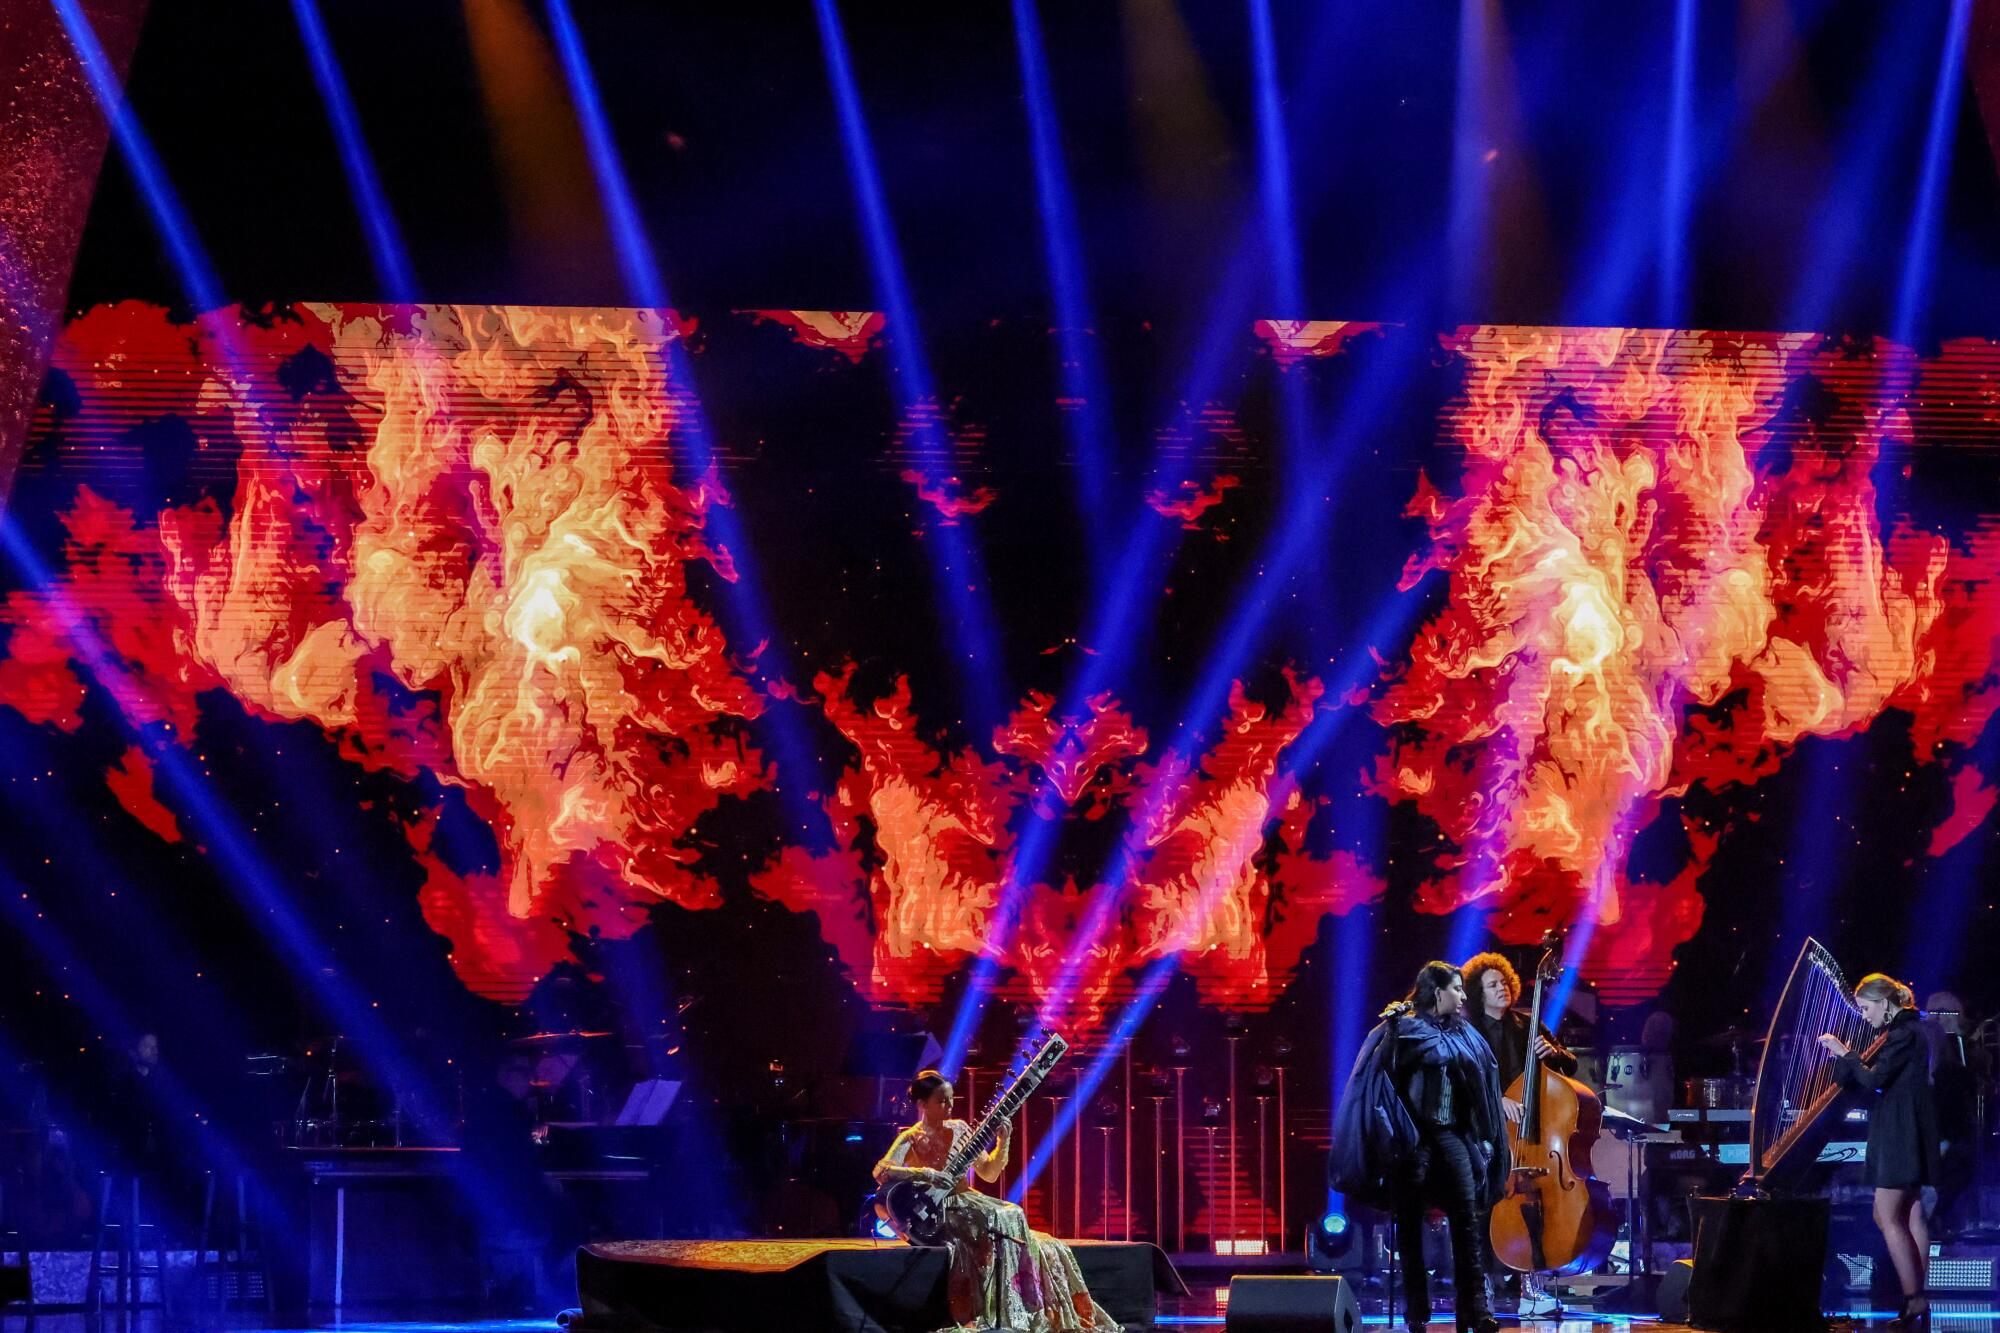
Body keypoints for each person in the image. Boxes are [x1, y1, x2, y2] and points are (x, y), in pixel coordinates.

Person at [1333, 962, 1507, 1333]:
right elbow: (1378, 1081)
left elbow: (1480, 1083)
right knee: (1409, 1228)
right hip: (1411, 1140)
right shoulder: (1404, 1029)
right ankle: (1416, 1312)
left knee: (1466, 1222)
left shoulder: (1464, 1034)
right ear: (1436, 992)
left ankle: (1474, 1311)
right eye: (1456, 990)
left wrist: (1484, 1134)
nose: (1462, 996)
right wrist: (1395, 1035)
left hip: (1452, 1136)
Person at [873, 1070, 1118, 1333]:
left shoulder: (960, 1129)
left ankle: (1021, 1306)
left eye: (951, 1099)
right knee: (997, 1217)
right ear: (922, 1105)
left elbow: (988, 1173)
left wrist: (1003, 1141)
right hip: (941, 1210)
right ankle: (994, 1308)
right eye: (942, 1101)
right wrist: (926, 1174)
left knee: (1014, 1213)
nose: (949, 1106)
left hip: (970, 1200)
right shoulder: (910, 1137)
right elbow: (881, 1171)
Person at [1818, 973, 1941, 1331]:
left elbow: (1873, 1079)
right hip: (1907, 1128)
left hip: (1900, 1132)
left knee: (1886, 1216)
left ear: (1885, 1004)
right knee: (1912, 1213)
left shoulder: (1903, 1035)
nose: (1864, 1015)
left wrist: (1845, 1052)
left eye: (1866, 1008)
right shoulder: (1907, 1032)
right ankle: (1918, 1299)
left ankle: (1914, 1298)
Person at [1460, 951, 1578, 1318]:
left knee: (1535, 1204)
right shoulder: (1468, 1032)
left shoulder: (1527, 1025)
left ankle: (1532, 1286)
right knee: (1482, 1208)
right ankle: (1481, 1292)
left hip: (1530, 1138)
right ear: (1477, 993)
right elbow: (1460, 1082)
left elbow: (1569, 1065)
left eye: (1503, 982)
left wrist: (1554, 1052)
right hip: (1484, 1132)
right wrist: (1496, 1101)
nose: (1500, 989)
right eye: (1491, 985)